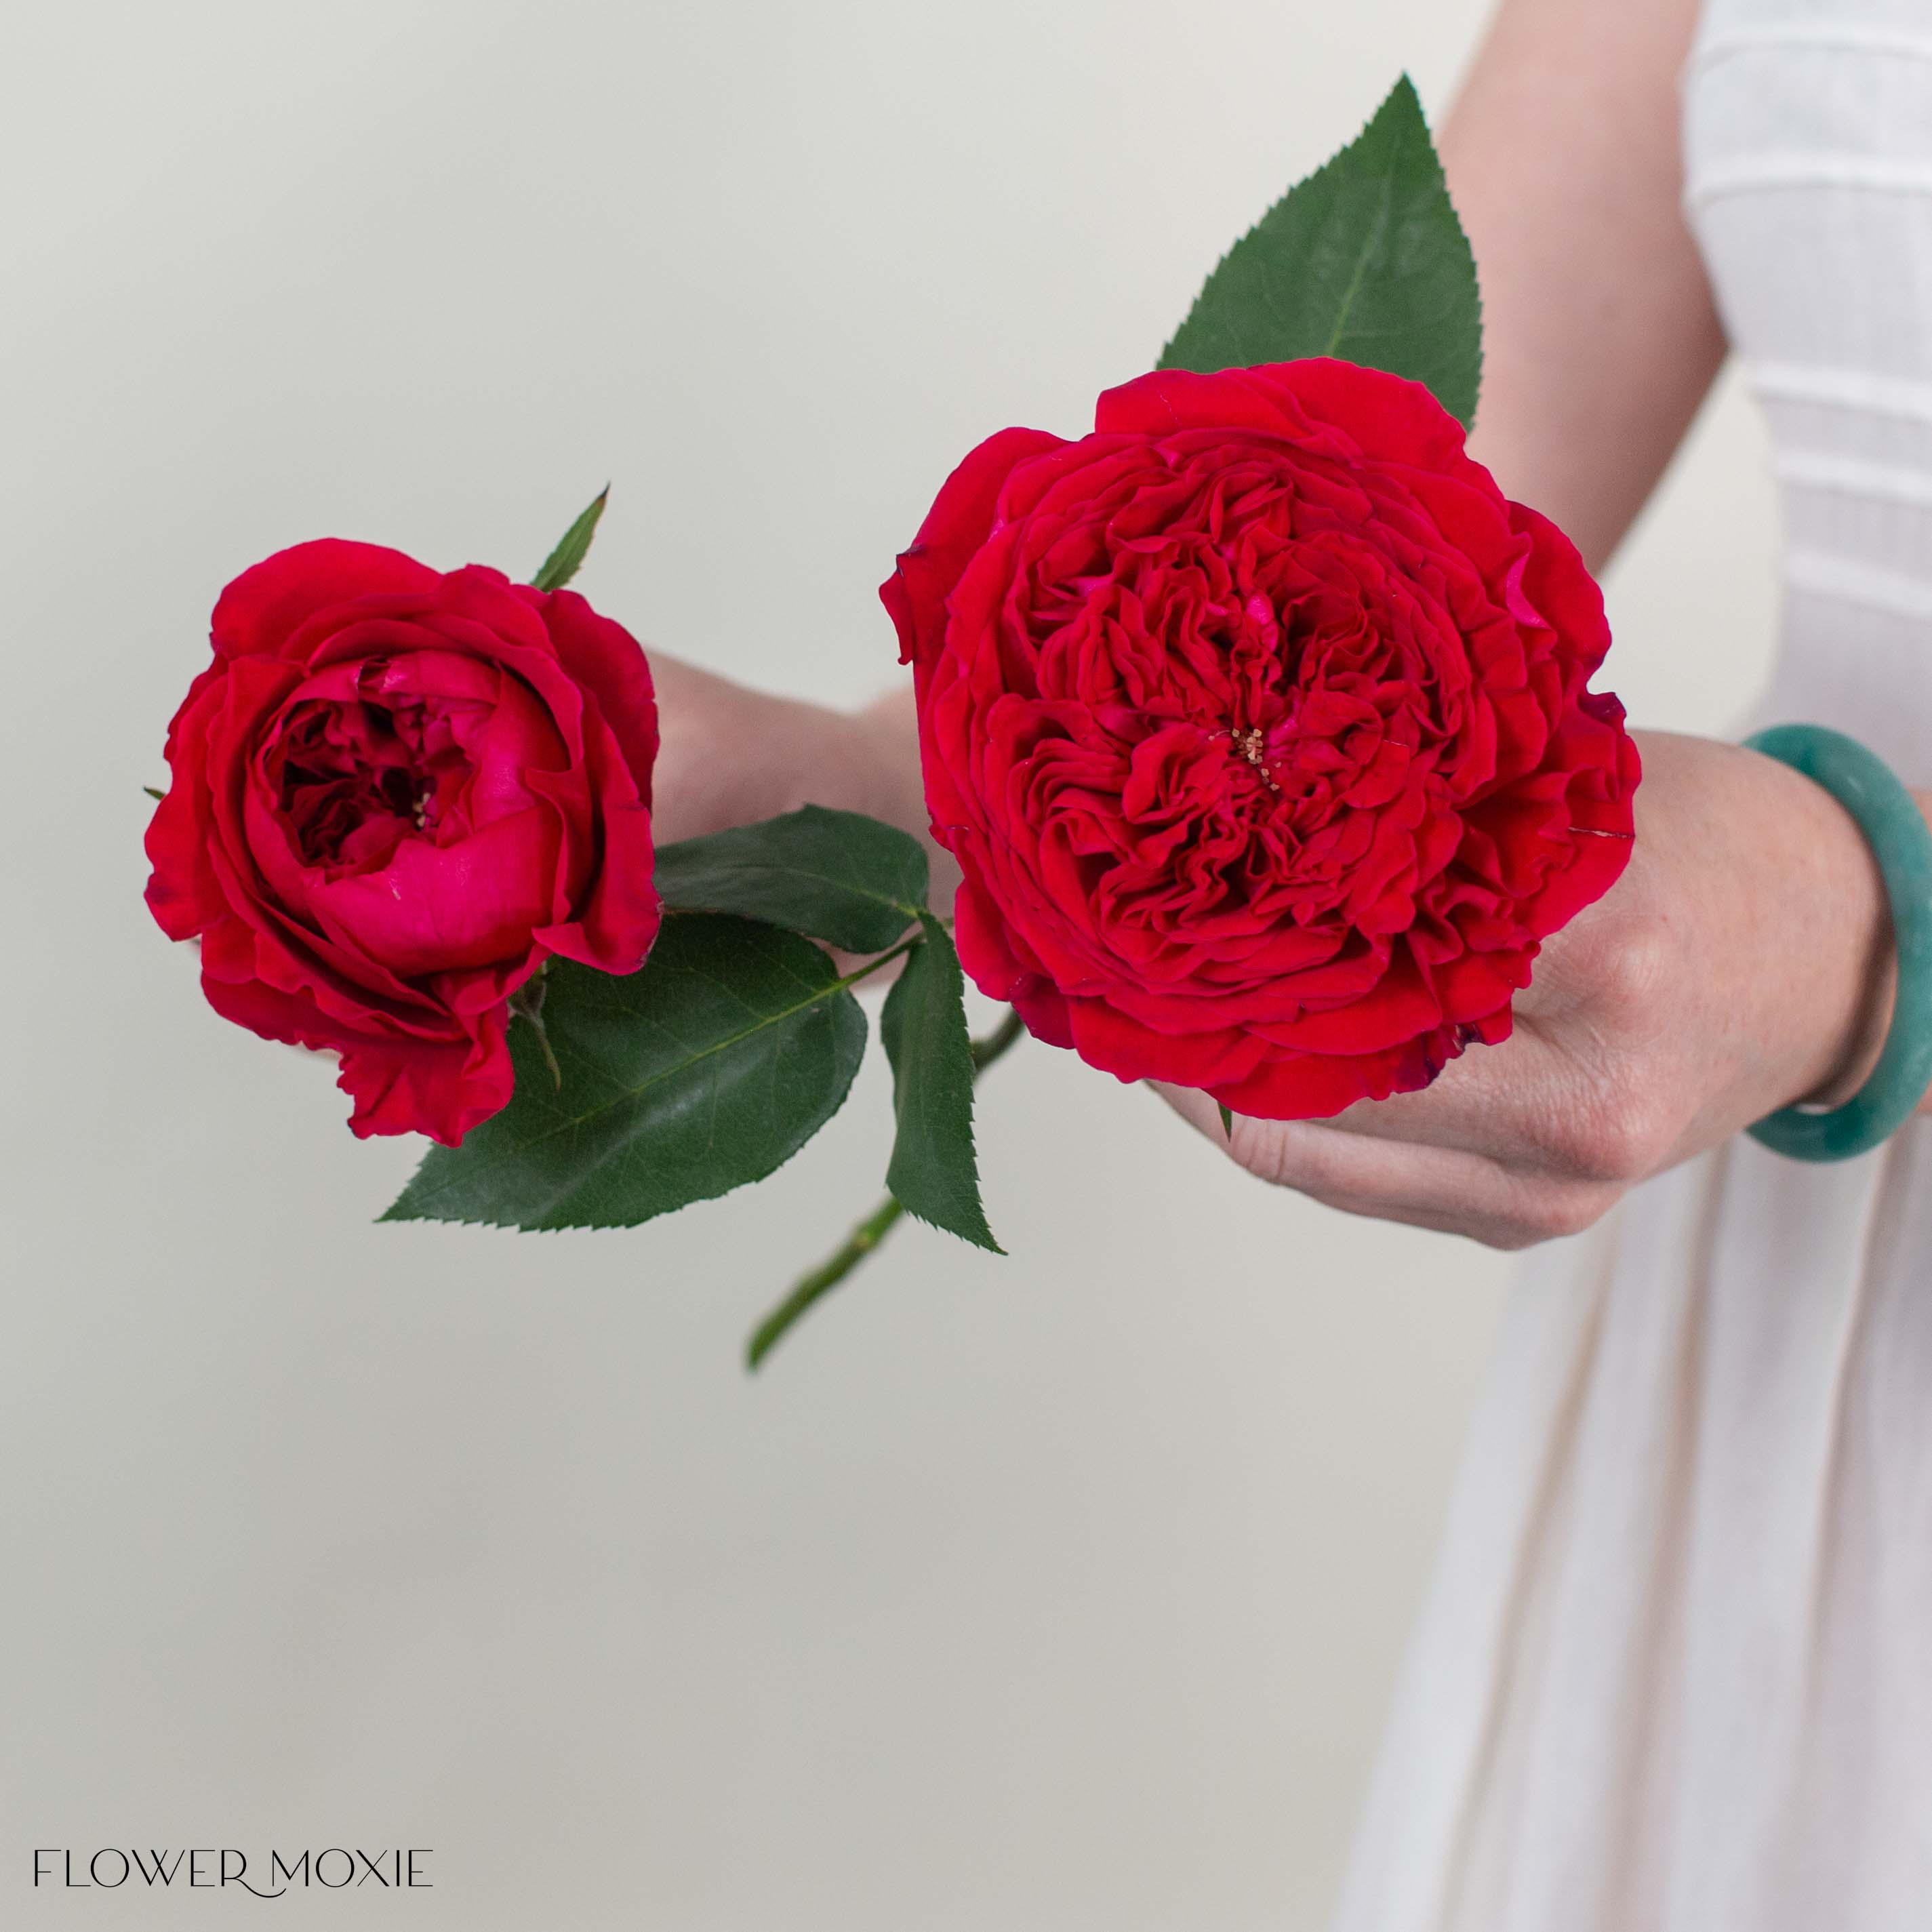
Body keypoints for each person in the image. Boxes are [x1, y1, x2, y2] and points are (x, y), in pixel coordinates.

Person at [649, 0, 1932, 1920]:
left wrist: (1871, 930)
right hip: (1790, 1331)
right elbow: (1350, 521)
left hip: (1804, 1030)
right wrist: (811, 800)